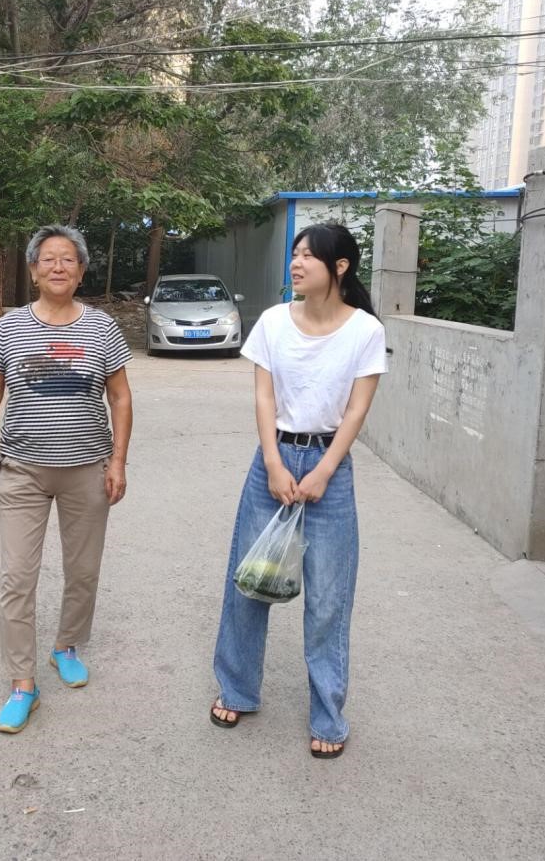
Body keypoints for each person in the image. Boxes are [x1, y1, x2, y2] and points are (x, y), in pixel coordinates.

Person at [209, 221, 386, 758]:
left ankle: (328, 717)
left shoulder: (365, 331)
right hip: (274, 459)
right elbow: (264, 397)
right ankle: (237, 689)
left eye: (309, 255)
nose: (296, 263)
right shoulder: (272, 322)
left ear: (340, 267)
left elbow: (356, 409)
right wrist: (272, 461)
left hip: (330, 466)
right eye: (295, 254)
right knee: (250, 581)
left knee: (329, 599)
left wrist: (325, 470)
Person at [0, 224, 133, 734]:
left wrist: (118, 461)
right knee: (17, 577)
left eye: (68, 259)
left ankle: (66, 646)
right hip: (22, 470)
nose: (58, 266)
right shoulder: (10, 327)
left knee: (83, 570)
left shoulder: (102, 328)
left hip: (87, 469)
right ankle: (23, 684)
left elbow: (120, 397)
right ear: (33, 270)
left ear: (81, 271)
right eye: (48, 259)